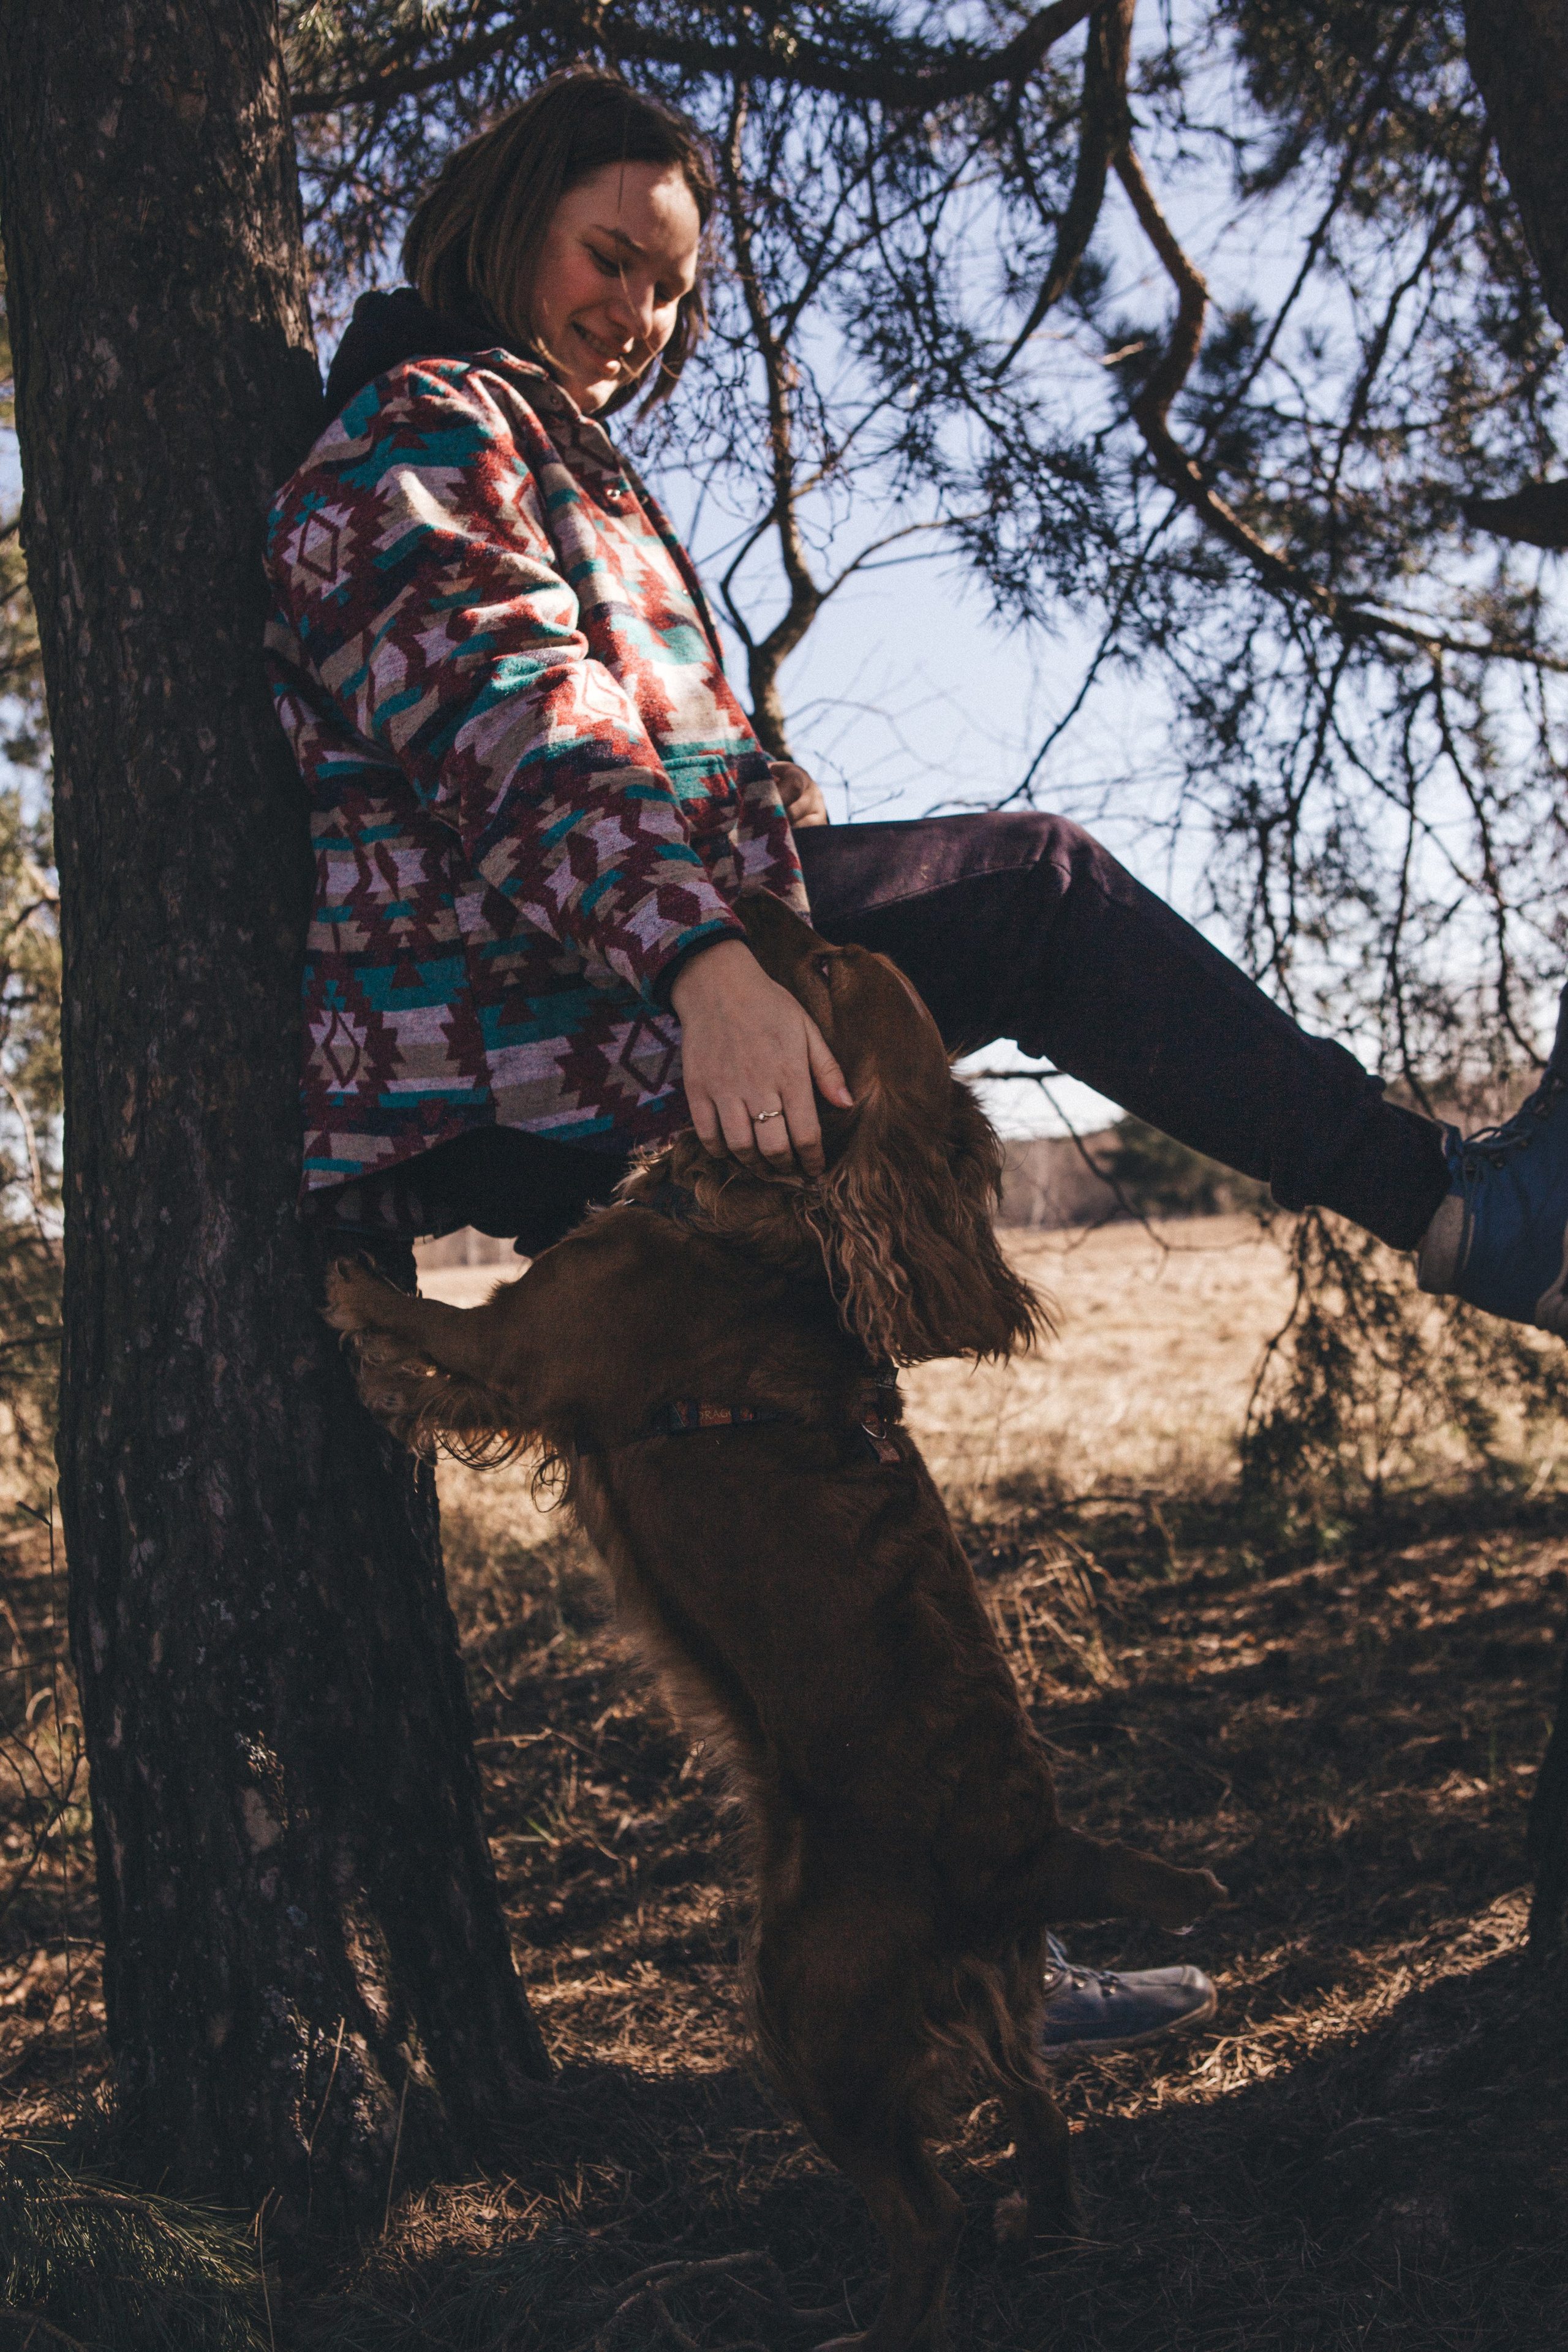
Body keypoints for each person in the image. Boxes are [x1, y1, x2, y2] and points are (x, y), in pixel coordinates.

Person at [263, 70, 1567, 2053]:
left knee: (839, 1475)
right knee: (1040, 893)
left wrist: (744, 845)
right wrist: (706, 959)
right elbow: (515, 731)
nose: (643, 316)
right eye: (614, 257)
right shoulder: (415, 430)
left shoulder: (556, 449)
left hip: (604, 987)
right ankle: (1459, 1205)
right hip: (527, 1021)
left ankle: (980, 1964)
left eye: (677, 296)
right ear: (507, 215)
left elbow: (640, 745)